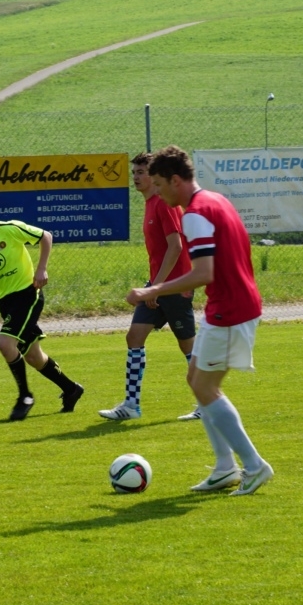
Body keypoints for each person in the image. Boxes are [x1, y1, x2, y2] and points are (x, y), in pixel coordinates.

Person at [126, 146, 274, 496]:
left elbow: (203, 272)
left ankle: (254, 465)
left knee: (206, 388)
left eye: (159, 183)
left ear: (175, 180)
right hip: (229, 305)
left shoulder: (194, 214)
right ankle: (224, 468)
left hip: (231, 309)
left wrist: (153, 290)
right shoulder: (216, 200)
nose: (156, 191)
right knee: (196, 379)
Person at [0, 189, 84, 421]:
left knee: (5, 344)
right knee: (34, 357)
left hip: (28, 293)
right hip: (5, 302)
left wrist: (41, 269)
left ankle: (25, 397)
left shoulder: (9, 229)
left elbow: (46, 236)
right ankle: (71, 389)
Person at [99, 152, 200, 422]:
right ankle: (131, 405)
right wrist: (153, 287)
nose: (136, 177)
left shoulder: (164, 204)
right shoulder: (150, 204)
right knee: (134, 337)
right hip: (158, 285)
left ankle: (209, 403)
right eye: (134, 172)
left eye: (141, 172)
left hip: (175, 287)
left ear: (155, 177)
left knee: (188, 347)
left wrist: (155, 287)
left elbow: (176, 247)